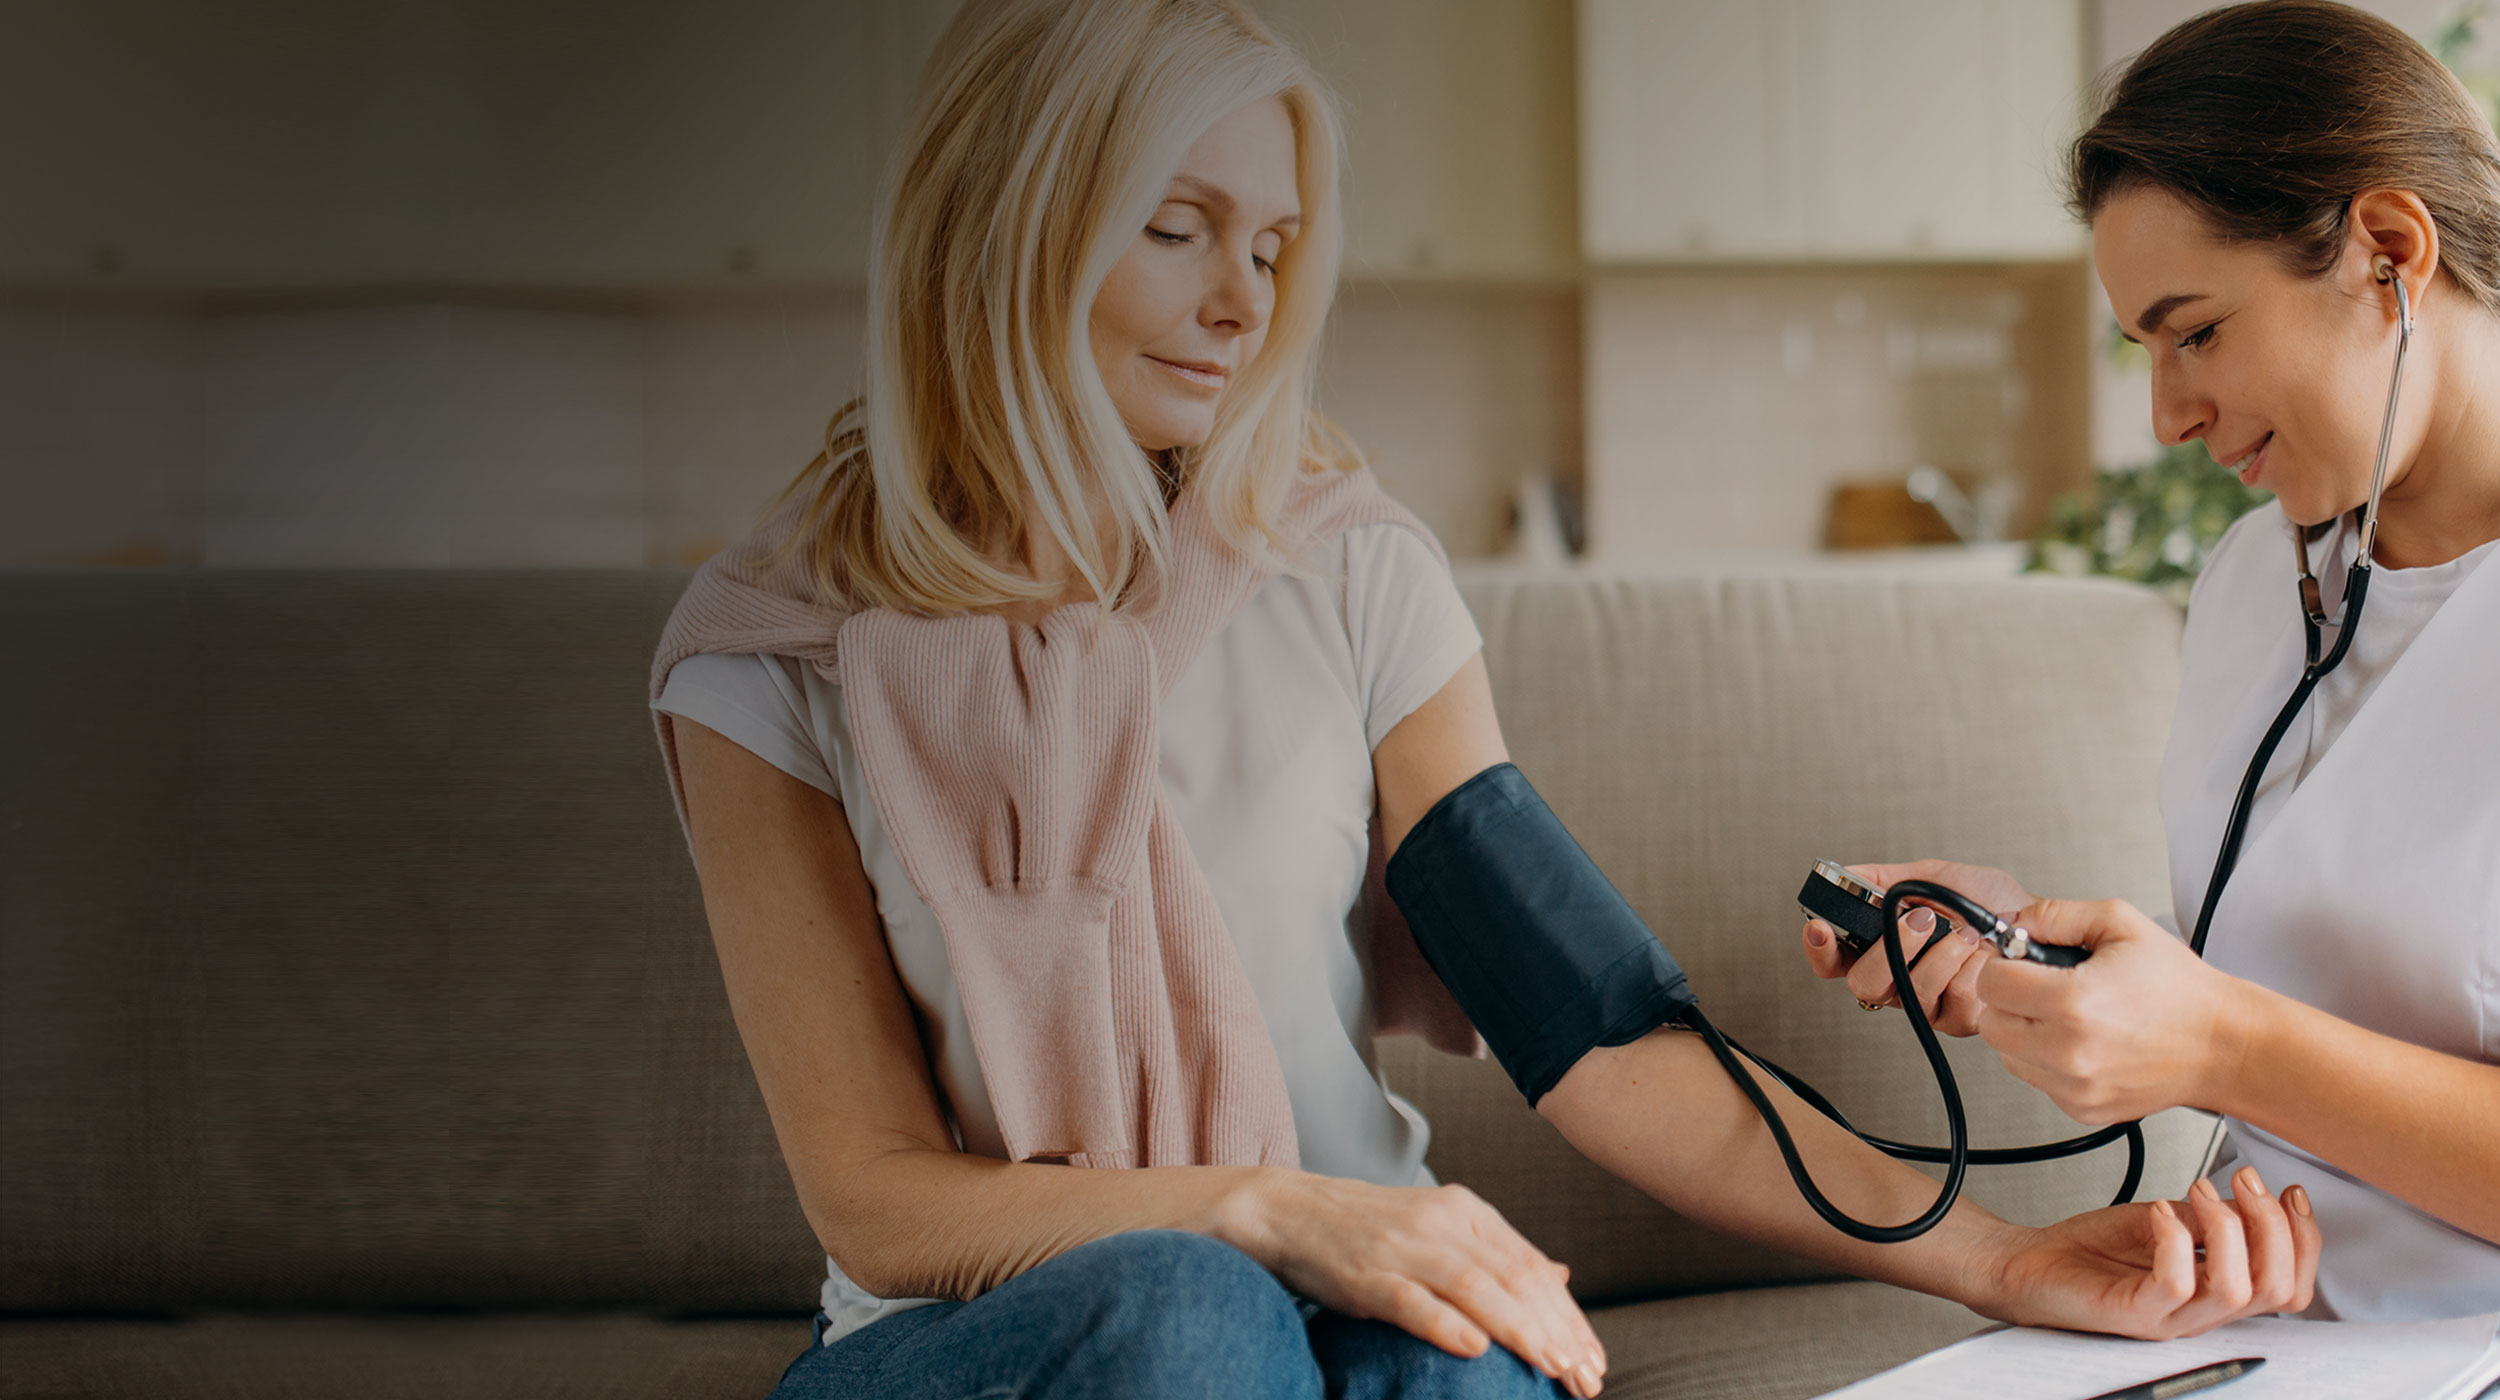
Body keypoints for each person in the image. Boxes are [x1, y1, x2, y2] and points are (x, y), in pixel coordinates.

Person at [651, 3, 2321, 1396]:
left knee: (1475, 1359)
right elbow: (874, 1202)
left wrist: (2003, 1258)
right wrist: (1263, 1213)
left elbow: (1593, 1029)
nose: (1242, 301)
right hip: (979, 1340)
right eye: (1176, 230)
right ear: (1003, 221)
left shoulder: (1346, 572)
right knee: (1188, 1311)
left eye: (1275, 244)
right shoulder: (775, 652)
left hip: (1345, 1284)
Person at [1805, 0, 2499, 1325]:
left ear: (2390, 253)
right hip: (2257, 1322)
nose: (2169, 415)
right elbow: (2318, 975)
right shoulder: (2257, 577)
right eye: (2146, 350)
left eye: (2198, 332)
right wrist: (2035, 962)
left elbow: (2254, 1033)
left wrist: (2219, 1042)